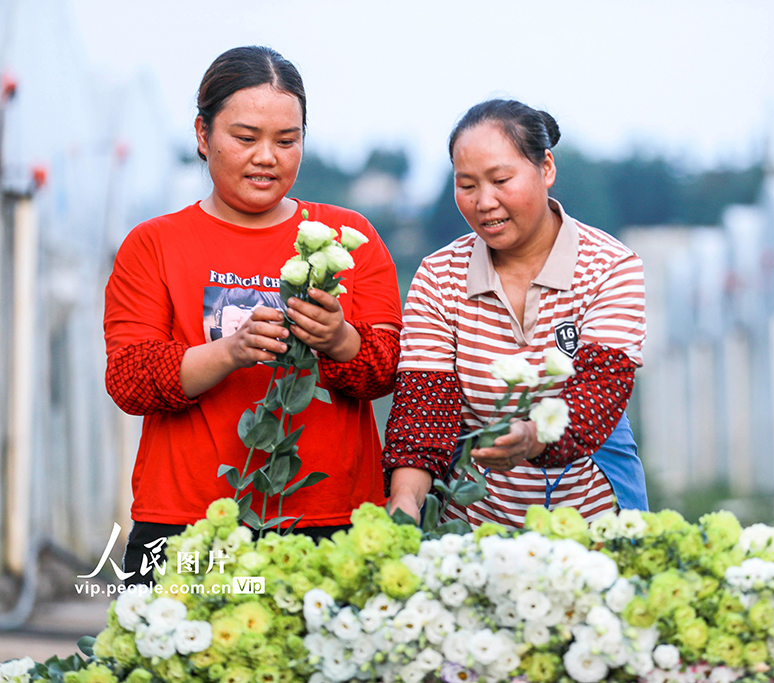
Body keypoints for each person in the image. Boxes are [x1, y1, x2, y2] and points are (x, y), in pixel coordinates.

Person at [104, 46, 402, 583]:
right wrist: (229, 351)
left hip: (330, 518)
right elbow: (130, 380)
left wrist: (338, 339)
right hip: (189, 521)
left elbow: (384, 370)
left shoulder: (348, 238)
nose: (267, 156)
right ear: (203, 135)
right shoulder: (154, 244)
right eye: (246, 138)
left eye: (286, 141)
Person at [383, 99, 647, 528]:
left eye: (501, 180)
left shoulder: (610, 266)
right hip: (472, 525)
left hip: (593, 522)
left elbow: (599, 393)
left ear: (546, 169)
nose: (484, 201)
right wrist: (405, 501)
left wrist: (532, 436)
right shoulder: (438, 277)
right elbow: (423, 409)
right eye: (466, 185)